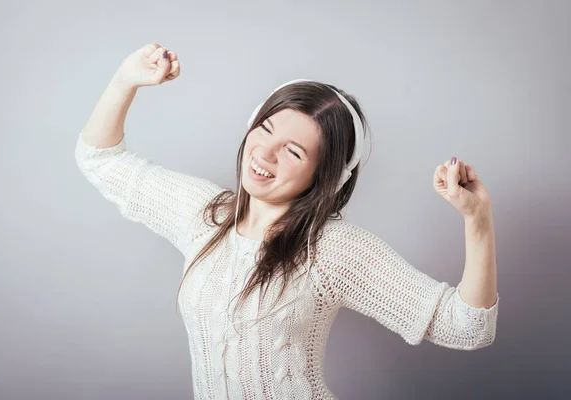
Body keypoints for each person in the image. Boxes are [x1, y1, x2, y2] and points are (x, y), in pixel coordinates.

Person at [75, 43, 500, 400]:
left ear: (325, 176)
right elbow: (100, 161)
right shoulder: (205, 216)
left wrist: (477, 220)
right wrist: (125, 79)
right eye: (265, 129)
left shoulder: (331, 250)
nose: (264, 153)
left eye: (294, 152)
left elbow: (466, 328)